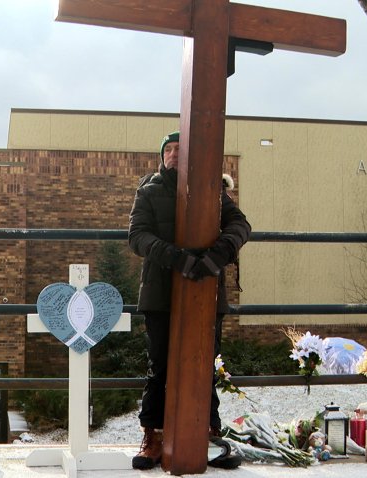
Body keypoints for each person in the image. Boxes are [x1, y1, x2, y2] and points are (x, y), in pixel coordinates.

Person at [128, 131, 251, 470]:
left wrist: (215, 258)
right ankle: (152, 436)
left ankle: (209, 434)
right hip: (160, 292)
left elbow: (240, 226)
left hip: (206, 292)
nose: (173, 154)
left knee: (205, 363)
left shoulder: (214, 191)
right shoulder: (149, 191)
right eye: (168, 149)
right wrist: (176, 258)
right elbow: (137, 236)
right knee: (160, 365)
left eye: (180, 149)